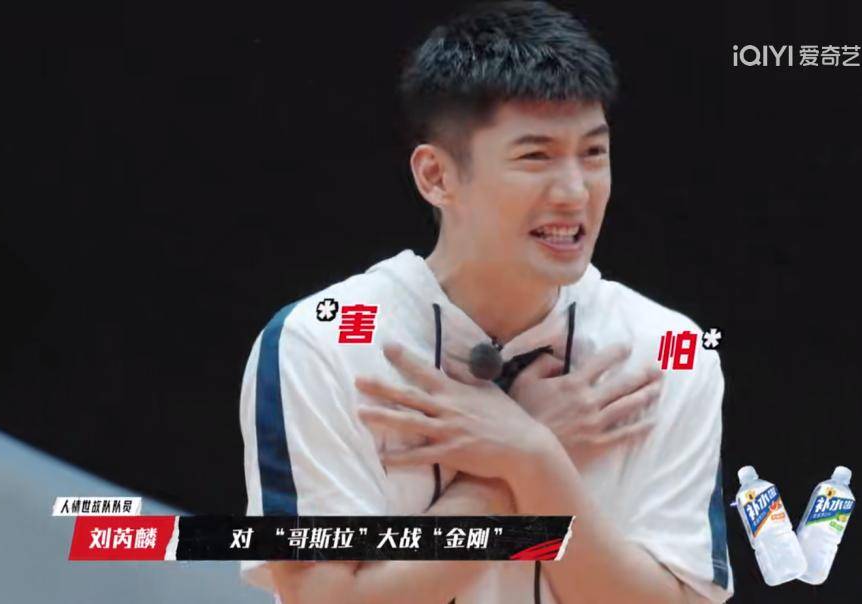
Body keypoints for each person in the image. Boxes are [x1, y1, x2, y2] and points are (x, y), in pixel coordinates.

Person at [238, 2, 732, 602]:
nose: (574, 192)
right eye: (535, 156)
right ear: (436, 177)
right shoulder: (320, 343)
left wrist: (533, 458)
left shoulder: (670, 351)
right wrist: (513, 466)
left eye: (593, 153)